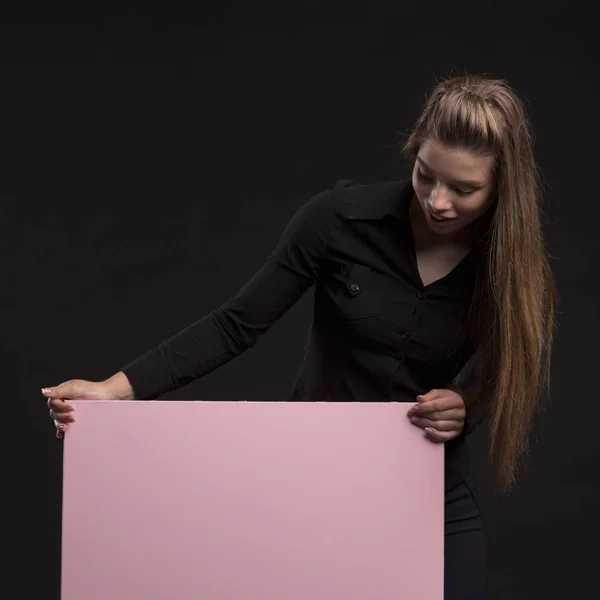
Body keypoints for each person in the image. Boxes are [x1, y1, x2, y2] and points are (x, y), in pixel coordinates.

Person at [43, 73, 557, 599]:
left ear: (501, 187)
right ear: (414, 153)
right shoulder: (338, 220)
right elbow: (235, 325)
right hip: (314, 487)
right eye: (427, 176)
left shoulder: (511, 267)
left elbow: (505, 370)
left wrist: (464, 406)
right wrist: (113, 389)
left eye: (465, 189)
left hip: (430, 494)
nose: (438, 201)